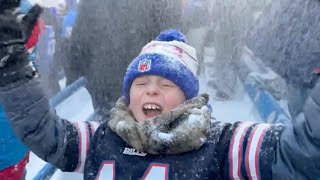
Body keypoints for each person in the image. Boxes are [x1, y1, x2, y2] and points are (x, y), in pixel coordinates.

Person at [0, 4, 320, 180]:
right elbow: (42, 130)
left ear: (187, 98)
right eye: (140, 84)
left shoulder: (221, 146)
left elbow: (296, 154)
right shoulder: (103, 140)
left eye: (166, 84)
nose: (150, 91)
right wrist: (13, 67)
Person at [64, 0, 184, 120]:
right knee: (148, 125)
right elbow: (170, 38)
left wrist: (72, 76)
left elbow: (78, 44)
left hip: (104, 81)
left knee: (109, 124)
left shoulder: (92, 4)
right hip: (145, 78)